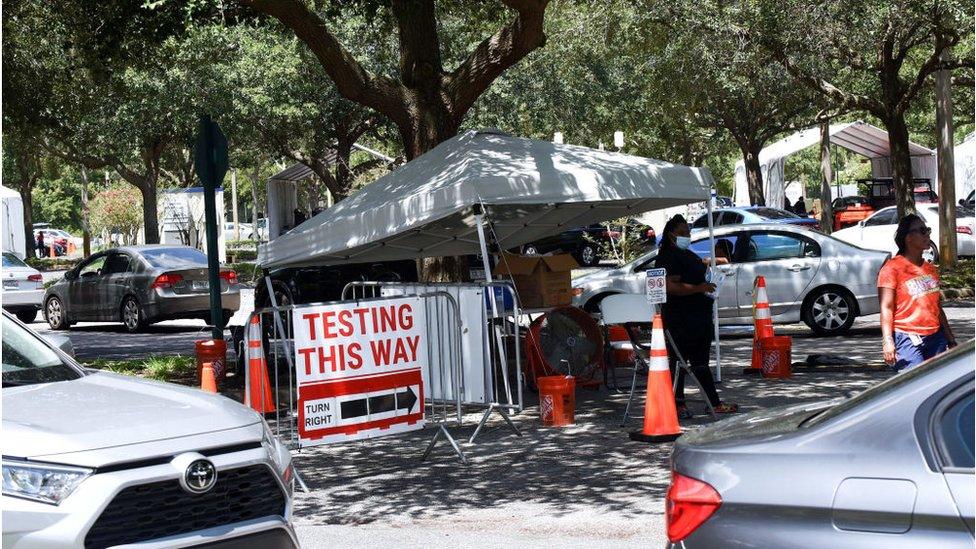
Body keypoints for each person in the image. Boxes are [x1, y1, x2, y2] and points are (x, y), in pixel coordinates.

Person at [654, 215, 737, 417]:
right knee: (680, 362)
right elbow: (670, 286)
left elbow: (698, 268)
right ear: (671, 234)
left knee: (700, 363)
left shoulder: (685, 253)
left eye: (688, 233)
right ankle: (679, 403)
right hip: (682, 319)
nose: (687, 237)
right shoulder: (668, 256)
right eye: (682, 233)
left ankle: (711, 402)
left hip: (699, 317)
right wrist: (699, 288)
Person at [878, 214, 957, 372]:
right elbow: (886, 308)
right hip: (907, 338)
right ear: (908, 238)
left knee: (937, 386)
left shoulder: (930, 269)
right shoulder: (891, 269)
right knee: (915, 388)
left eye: (927, 230)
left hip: (935, 337)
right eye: (922, 231)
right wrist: (887, 341)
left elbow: (936, 306)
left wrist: (950, 338)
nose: (927, 234)